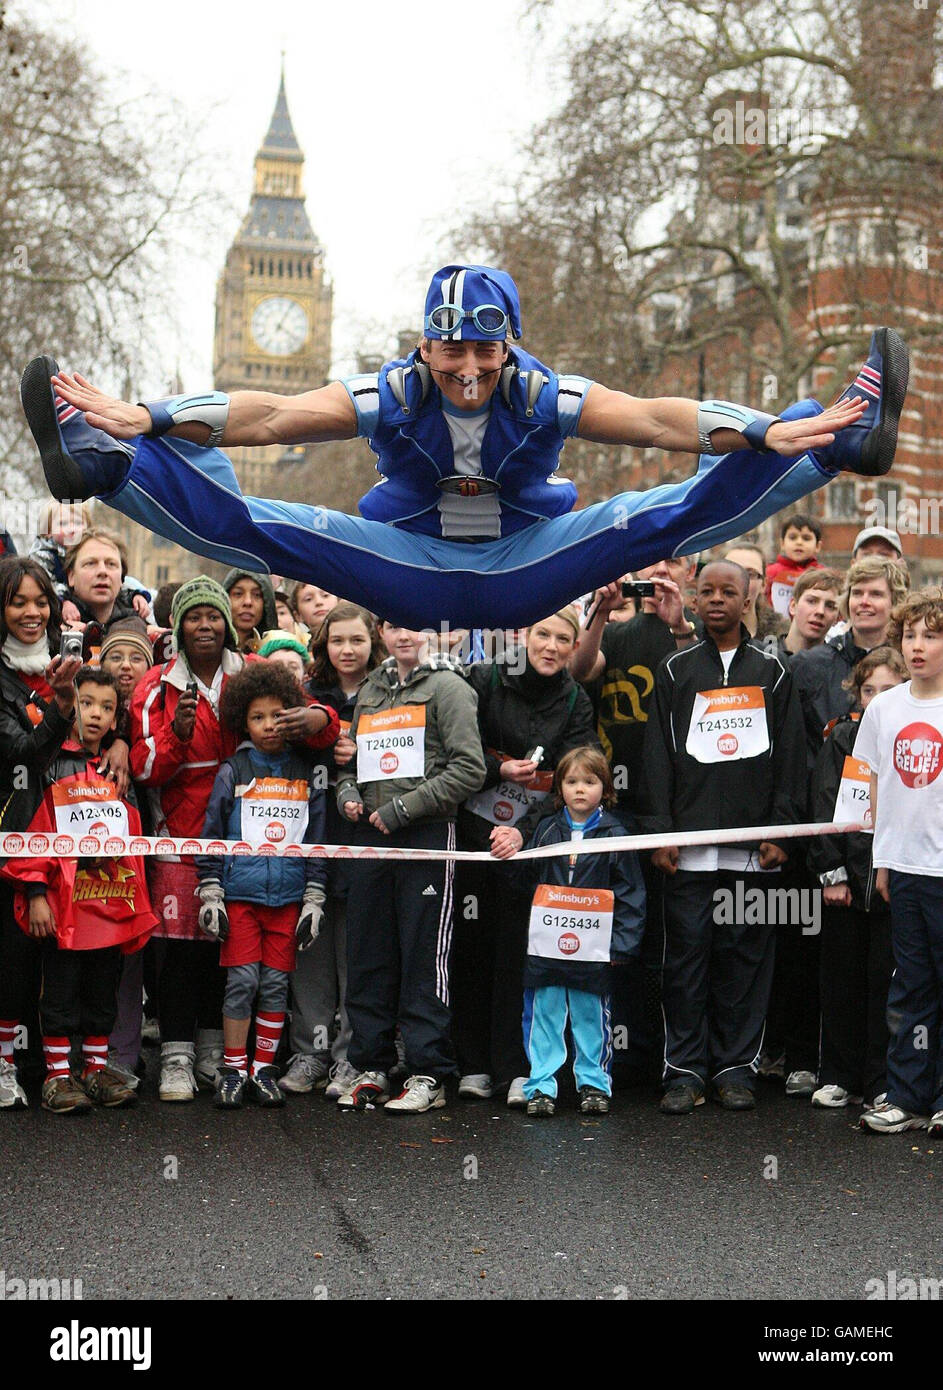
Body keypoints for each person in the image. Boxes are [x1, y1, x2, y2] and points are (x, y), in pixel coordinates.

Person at [22, 265, 906, 629]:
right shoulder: (394, 391)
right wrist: (149, 414)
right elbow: (273, 418)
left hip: (526, 564)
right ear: (424, 346)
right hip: (410, 565)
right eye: (453, 351)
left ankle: (838, 441)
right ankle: (106, 465)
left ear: (510, 346)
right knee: (258, 524)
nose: (470, 370)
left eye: (486, 351)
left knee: (665, 514)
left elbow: (652, 422)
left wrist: (761, 430)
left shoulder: (535, 390)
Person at [127, 575, 336, 1102]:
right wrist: (175, 734)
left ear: (227, 624)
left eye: (214, 616)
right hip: (179, 835)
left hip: (250, 846)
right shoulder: (156, 683)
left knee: (230, 957)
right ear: (177, 625)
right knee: (180, 954)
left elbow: (314, 721)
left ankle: (218, 1054)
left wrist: (321, 717)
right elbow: (143, 767)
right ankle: (175, 1054)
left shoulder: (253, 673)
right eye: (194, 616)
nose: (205, 624)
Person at [643, 560, 806, 1113]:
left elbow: (791, 758)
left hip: (752, 847)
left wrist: (781, 830)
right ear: (692, 597)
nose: (716, 600)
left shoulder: (773, 672)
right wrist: (661, 832)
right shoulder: (673, 671)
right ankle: (684, 1070)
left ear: (747, 599)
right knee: (686, 958)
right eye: (706, 591)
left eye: (728, 592)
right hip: (687, 846)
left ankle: (736, 1068)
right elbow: (657, 759)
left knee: (743, 958)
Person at [335, 621, 485, 1114]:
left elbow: (469, 768)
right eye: (393, 624)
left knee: (425, 958)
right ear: (381, 630)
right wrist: (348, 794)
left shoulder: (449, 687)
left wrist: (405, 809)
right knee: (368, 953)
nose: (404, 634)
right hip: (370, 839)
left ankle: (430, 1072)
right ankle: (372, 1064)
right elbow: (349, 762)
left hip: (424, 835)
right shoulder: (373, 688)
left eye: (415, 625)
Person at [453, 607, 598, 1106]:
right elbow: (454, 748)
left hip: (532, 838)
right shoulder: (483, 677)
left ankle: (515, 1066)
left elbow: (574, 780)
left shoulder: (577, 699)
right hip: (471, 829)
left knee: (519, 953)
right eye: (543, 634)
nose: (551, 647)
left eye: (563, 638)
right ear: (523, 635)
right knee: (470, 947)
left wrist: (523, 835)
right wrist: (498, 772)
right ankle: (470, 1064)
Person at [1, 667, 157, 1112]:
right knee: (61, 990)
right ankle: (57, 1076)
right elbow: (34, 832)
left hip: (108, 907)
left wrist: (135, 906)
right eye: (87, 703)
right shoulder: (49, 765)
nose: (95, 714)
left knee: (102, 989)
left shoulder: (115, 768)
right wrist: (34, 893)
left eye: (107, 708)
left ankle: (94, 1069)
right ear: (71, 704)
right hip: (65, 909)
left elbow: (130, 843)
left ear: (115, 719)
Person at [195, 662, 328, 1109]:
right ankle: (232, 1069)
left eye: (277, 714)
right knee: (241, 983)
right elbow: (211, 831)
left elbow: (319, 841)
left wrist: (315, 897)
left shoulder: (308, 772)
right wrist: (210, 890)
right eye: (257, 717)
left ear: (292, 714)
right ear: (242, 721)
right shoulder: (234, 769)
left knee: (274, 986)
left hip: (289, 899)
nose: (269, 725)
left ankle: (263, 1069)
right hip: (242, 899)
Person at [280, 602, 384, 1099]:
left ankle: (349, 1055)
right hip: (309, 828)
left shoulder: (389, 691)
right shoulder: (307, 695)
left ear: (373, 643)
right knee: (311, 943)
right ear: (323, 644)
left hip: (368, 832)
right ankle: (310, 1049)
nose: (347, 649)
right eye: (338, 640)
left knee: (357, 948)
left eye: (357, 640)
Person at [516, 747, 645, 1117]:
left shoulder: (616, 833)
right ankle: (541, 1085)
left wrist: (622, 945)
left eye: (590, 782)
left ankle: (594, 1085)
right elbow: (528, 880)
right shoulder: (546, 829)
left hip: (593, 950)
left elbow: (632, 893)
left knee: (592, 1017)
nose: (580, 790)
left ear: (605, 788)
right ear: (559, 787)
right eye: (571, 781)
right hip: (547, 946)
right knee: (544, 1015)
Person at [857, 589, 943, 1135]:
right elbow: (870, 788)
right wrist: (882, 860)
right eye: (910, 634)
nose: (917, 645)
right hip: (906, 869)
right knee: (911, 987)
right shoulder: (884, 708)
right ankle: (908, 1097)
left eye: (932, 636)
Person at [0, 556, 84, 1108]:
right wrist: (61, 706)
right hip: (15, 835)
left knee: (58, 960)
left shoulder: (68, 665)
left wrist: (119, 741)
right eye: (17, 601)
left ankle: (55, 1068)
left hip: (70, 835)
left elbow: (103, 734)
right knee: (11, 960)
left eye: (40, 601)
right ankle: (7, 1065)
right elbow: (21, 754)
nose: (32, 613)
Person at [806, 647, 906, 1110]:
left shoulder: (914, 738)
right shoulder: (842, 738)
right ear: (856, 693)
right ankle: (838, 1075)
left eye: (888, 689)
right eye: (870, 690)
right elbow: (825, 805)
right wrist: (832, 874)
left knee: (885, 987)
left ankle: (881, 1081)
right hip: (846, 882)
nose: (878, 698)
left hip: (892, 882)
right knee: (840, 983)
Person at [792, 557, 910, 764]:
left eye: (876, 594)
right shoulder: (808, 665)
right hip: (824, 792)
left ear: (895, 602)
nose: (864, 601)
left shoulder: (911, 669)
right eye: (857, 593)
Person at [60, 527, 150, 633]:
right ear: (71, 576)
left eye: (111, 564)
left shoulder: (142, 631)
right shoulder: (52, 629)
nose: (102, 571)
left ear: (122, 578)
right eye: (90, 563)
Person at [764, 512, 823, 616]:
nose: (799, 542)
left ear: (818, 546)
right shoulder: (769, 572)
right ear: (782, 543)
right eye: (792, 537)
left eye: (806, 538)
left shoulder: (822, 575)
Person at [222, 569, 277, 653]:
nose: (248, 602)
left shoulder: (277, 652)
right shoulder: (211, 650)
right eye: (238, 594)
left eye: (257, 595)